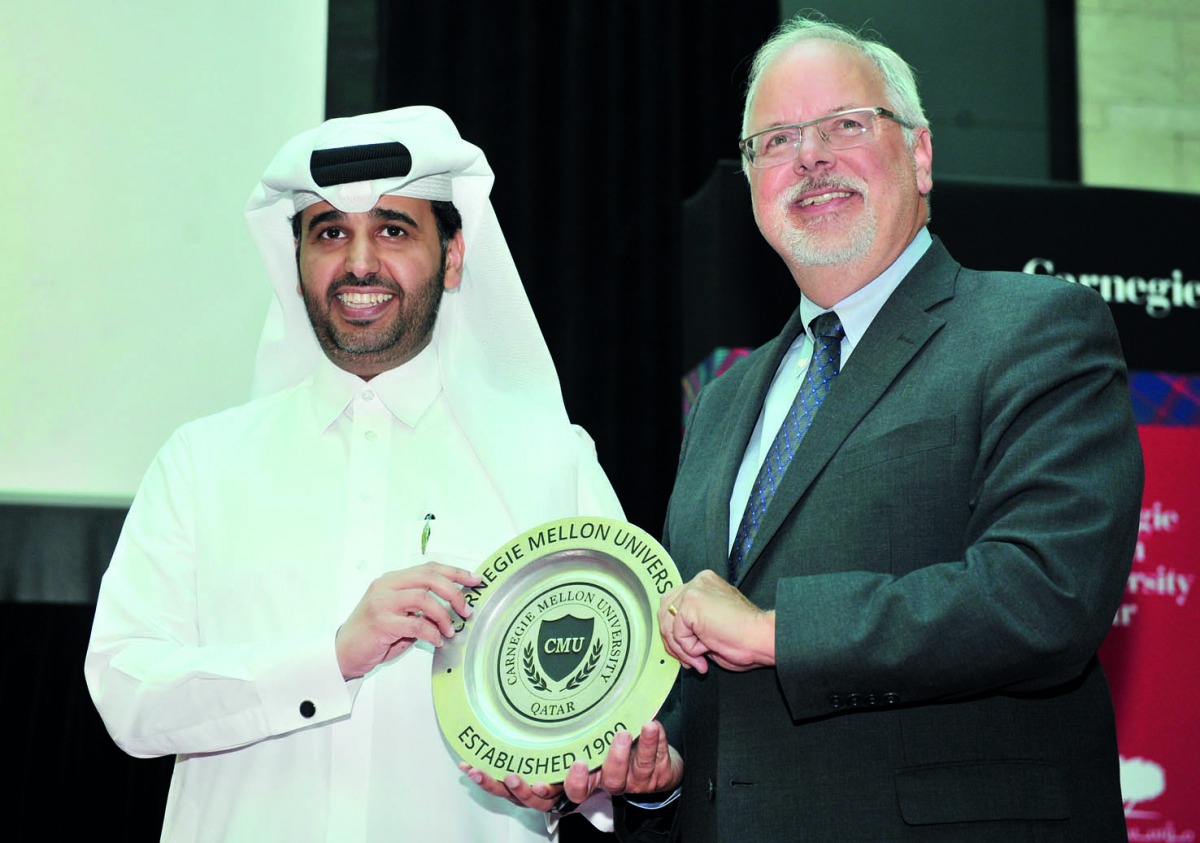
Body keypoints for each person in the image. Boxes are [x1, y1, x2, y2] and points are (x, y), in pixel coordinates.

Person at [551, 14, 1143, 842]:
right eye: (779, 139)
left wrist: (772, 632)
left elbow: (1045, 595)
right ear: (753, 180)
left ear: (922, 153)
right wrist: (663, 774)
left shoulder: (1034, 329)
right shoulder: (723, 401)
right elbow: (704, 673)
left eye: (846, 126)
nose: (812, 157)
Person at [84, 106, 624, 842]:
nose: (359, 262)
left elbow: (614, 715)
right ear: (298, 257)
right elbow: (126, 691)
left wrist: (570, 777)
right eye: (331, 232)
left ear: (455, 255)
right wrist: (330, 658)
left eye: (394, 230)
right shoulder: (201, 463)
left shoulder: (547, 459)